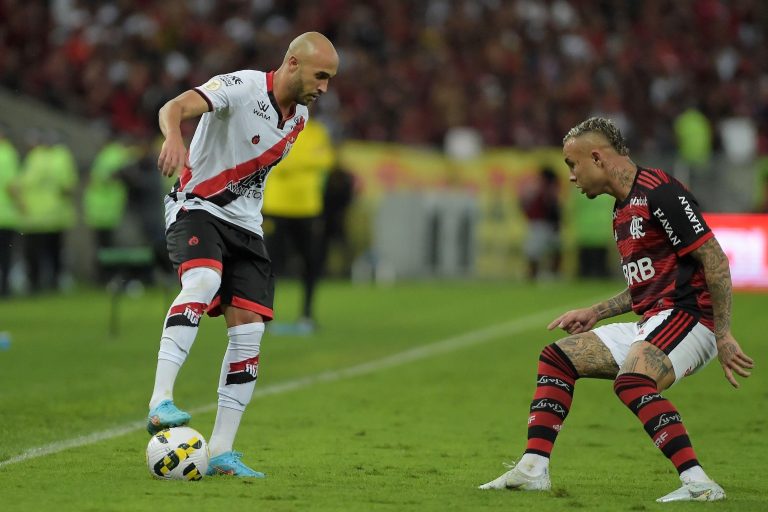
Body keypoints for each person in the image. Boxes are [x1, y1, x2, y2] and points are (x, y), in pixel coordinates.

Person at [479, 117, 754, 502]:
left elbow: (715, 260)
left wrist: (723, 333)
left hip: (690, 319)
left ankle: (699, 484)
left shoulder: (661, 192)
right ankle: (532, 468)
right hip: (654, 320)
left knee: (632, 382)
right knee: (557, 359)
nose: (572, 177)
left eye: (572, 165)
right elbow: (646, 284)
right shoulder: (621, 209)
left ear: (596, 157)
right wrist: (598, 310)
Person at [147, 32, 339, 477]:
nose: (325, 87)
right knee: (203, 280)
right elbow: (172, 107)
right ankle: (160, 401)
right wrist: (174, 137)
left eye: (330, 79)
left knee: (250, 334)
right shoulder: (242, 86)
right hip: (196, 206)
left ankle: (221, 451)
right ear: (292, 63)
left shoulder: (300, 119)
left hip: (246, 226)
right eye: (321, 75)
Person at [262, 119, 334, 335]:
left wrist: (291, 160)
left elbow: (327, 160)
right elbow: (271, 159)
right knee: (268, 263)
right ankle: (263, 316)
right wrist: (307, 161)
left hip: (308, 208)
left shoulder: (317, 131)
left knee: (311, 262)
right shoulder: (272, 127)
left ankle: (307, 314)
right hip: (276, 206)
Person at [520, 166, 562, 280]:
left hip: (547, 224)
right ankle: (533, 275)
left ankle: (553, 274)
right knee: (535, 252)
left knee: (553, 251)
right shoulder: (538, 190)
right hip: (538, 224)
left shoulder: (548, 190)